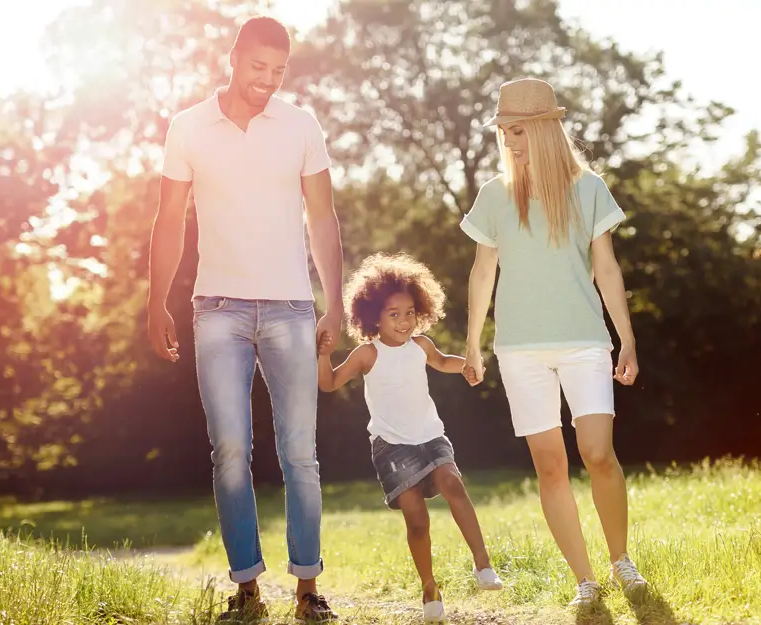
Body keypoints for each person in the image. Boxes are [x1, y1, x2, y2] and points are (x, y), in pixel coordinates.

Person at [146, 16, 342, 623]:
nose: (268, 81)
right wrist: (156, 300)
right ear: (234, 59)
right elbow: (170, 219)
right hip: (217, 310)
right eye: (259, 67)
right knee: (230, 450)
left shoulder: (302, 125)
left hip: (290, 307)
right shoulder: (187, 127)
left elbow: (324, 217)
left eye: (279, 71)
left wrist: (333, 298)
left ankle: (308, 590)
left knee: (300, 453)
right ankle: (247, 587)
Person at [459, 78, 647, 607]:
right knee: (549, 465)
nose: (509, 141)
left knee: (598, 453)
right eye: (503, 131)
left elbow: (606, 269)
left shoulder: (589, 188)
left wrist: (626, 340)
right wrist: (473, 344)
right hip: (519, 349)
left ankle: (620, 562)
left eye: (517, 130)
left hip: (585, 340)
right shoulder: (495, 195)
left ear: (544, 129)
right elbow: (481, 273)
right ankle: (585, 581)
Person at [317, 253, 503, 624]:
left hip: (430, 435)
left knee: (453, 483)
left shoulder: (421, 345)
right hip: (391, 446)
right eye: (393, 314)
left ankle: (483, 563)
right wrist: (323, 355)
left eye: (409, 312)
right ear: (373, 317)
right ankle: (429, 586)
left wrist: (467, 364)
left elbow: (442, 361)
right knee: (417, 520)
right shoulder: (367, 354)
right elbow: (329, 383)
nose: (404, 321)